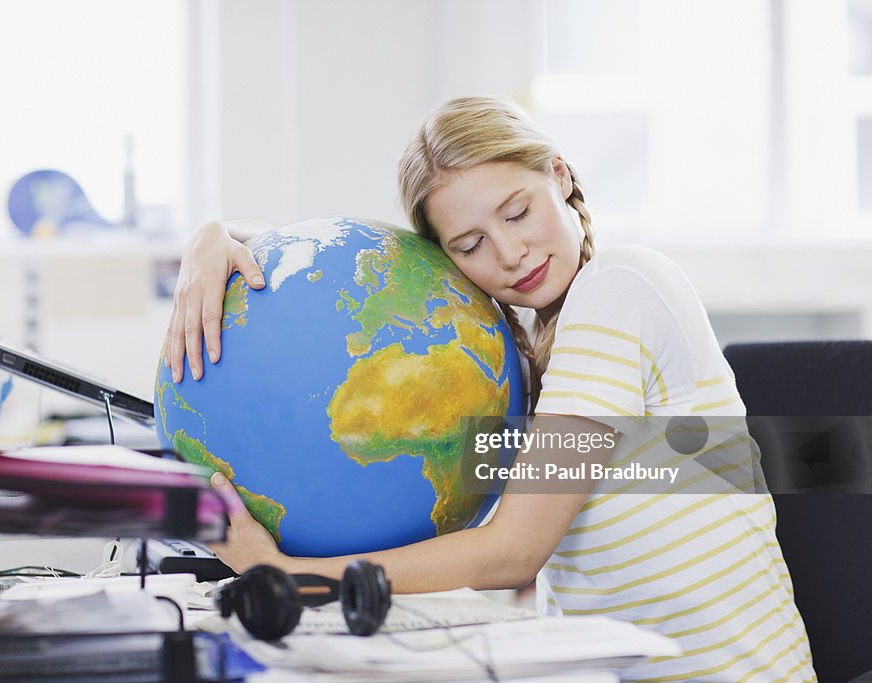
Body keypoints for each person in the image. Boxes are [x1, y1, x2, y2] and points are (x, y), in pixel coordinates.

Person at [163, 97, 814, 682]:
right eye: (470, 244)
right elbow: (337, 259)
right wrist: (211, 238)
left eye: (518, 212)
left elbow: (514, 551)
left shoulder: (620, 287)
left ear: (559, 175)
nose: (509, 254)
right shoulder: (524, 346)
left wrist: (285, 577)